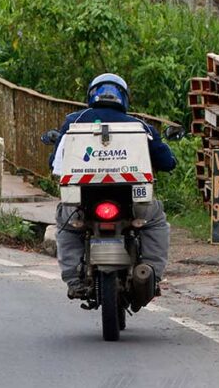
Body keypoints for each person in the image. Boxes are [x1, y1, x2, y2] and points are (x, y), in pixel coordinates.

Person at [49, 73, 176, 300]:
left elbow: (54, 163)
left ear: (91, 95)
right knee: (155, 222)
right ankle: (151, 276)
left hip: (82, 203)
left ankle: (74, 279)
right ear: (124, 98)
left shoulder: (73, 123)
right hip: (134, 203)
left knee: (67, 224)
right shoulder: (139, 126)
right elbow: (167, 162)